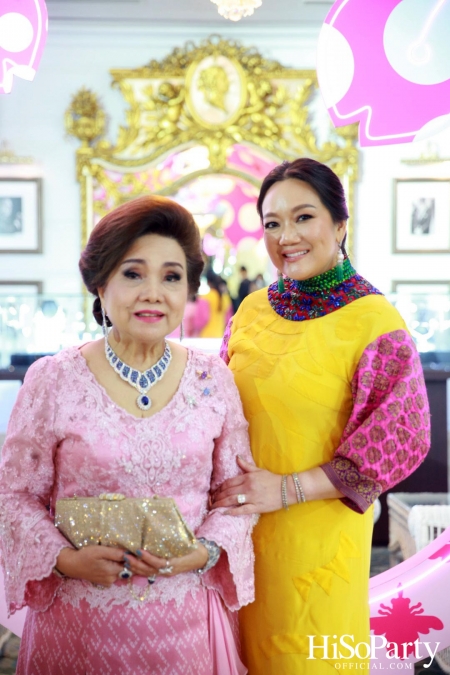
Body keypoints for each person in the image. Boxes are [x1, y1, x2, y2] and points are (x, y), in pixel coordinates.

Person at [0, 196, 256, 675]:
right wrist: (65, 560)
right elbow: (14, 496)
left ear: (189, 290)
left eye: (172, 277)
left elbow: (235, 496)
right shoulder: (53, 379)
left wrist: (204, 553)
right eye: (133, 273)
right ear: (100, 283)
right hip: (78, 626)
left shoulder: (213, 379)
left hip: (185, 627)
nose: (153, 292)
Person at [213, 159, 431, 674]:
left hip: (316, 546)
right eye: (272, 222)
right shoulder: (251, 310)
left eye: (303, 217)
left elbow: (402, 437)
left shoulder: (373, 318)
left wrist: (285, 490)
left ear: (340, 224)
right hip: (234, 540)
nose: (286, 236)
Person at [200, 269, 232, 338]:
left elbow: (201, 320)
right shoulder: (225, 298)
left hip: (205, 335)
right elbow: (228, 319)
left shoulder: (204, 297)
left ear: (208, 282)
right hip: (220, 335)